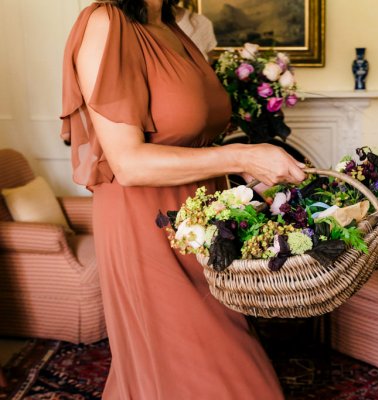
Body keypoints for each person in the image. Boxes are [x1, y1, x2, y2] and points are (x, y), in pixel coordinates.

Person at [60, 1, 305, 398]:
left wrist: (242, 179)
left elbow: (190, 138)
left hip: (200, 224)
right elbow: (129, 164)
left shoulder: (173, 26)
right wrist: (244, 155)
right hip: (145, 227)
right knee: (216, 375)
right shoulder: (105, 22)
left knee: (188, 370)